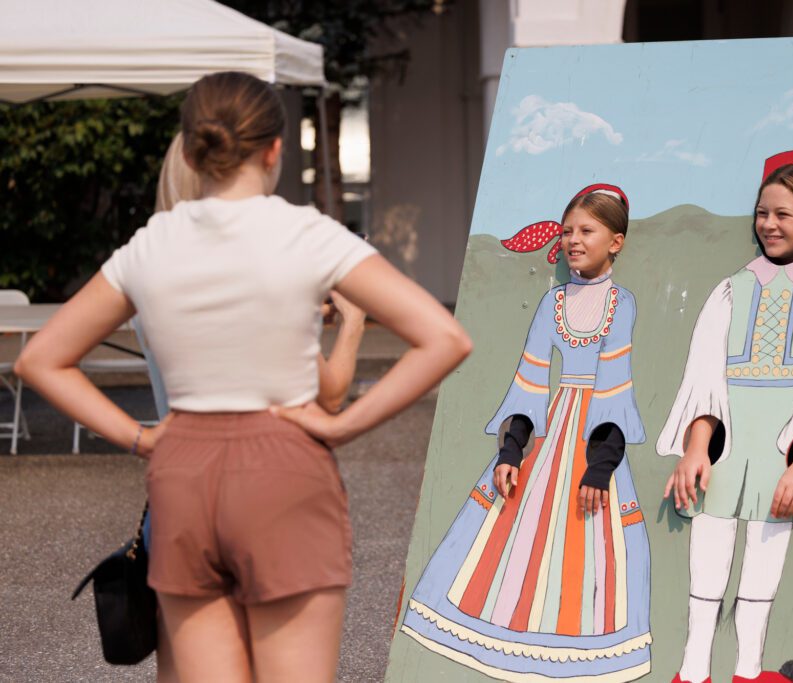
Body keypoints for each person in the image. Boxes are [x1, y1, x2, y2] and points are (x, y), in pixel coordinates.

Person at [15, 71, 471, 682]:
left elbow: (40, 359)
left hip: (182, 473)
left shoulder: (150, 244)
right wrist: (344, 426)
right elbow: (444, 337)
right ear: (274, 148)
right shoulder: (307, 234)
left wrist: (141, 437)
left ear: (191, 148)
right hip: (284, 468)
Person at [398, 184, 652, 683]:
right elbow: (531, 382)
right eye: (567, 231)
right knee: (512, 540)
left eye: (587, 231)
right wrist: (511, 451)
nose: (574, 240)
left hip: (593, 439)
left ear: (616, 241)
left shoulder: (622, 305)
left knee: (588, 549)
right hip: (551, 428)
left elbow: (615, 392)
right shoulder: (551, 302)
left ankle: (578, 655)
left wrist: (599, 468)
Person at [143, 130, 370, 682]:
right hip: (270, 481)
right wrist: (354, 323)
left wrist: (138, 437)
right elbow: (331, 392)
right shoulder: (261, 271)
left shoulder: (150, 262)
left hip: (177, 484)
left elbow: (48, 358)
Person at [657, 151, 793, 683]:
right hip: (727, 448)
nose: (769, 224)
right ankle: (694, 670)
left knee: (763, 572)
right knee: (708, 560)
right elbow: (704, 380)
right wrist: (697, 447)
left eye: (784, 214)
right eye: (762, 212)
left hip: (783, 454)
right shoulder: (729, 290)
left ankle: (748, 671)